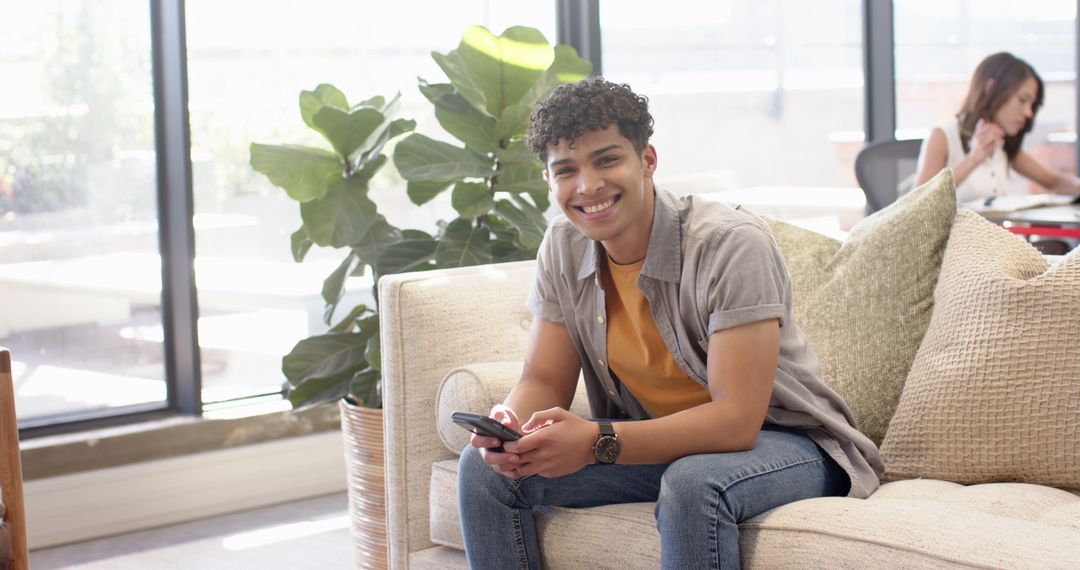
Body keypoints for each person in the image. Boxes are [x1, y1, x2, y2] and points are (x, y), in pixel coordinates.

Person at [456, 76, 884, 569]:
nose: (588, 185)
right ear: (550, 181)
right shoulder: (562, 245)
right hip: (656, 439)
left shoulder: (730, 244)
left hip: (789, 443)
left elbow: (737, 421)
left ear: (648, 161)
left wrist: (597, 442)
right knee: (484, 470)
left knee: (693, 484)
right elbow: (543, 379)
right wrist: (510, 428)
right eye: (566, 170)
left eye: (607, 159)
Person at [914, 51, 1080, 205]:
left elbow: (1053, 181)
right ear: (991, 89)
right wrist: (974, 158)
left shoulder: (1004, 144)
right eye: (1022, 100)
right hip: (957, 237)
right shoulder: (943, 136)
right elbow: (917, 205)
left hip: (995, 234)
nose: (1029, 112)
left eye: (1032, 105)